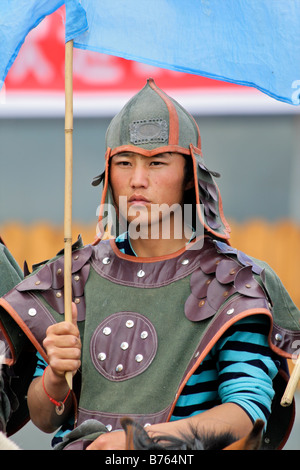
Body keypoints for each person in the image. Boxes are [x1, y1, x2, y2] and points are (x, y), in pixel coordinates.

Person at [0, 78, 299, 450]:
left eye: (157, 162)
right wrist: (56, 379)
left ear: (190, 175)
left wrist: (134, 442)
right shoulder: (73, 278)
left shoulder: (235, 283)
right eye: (124, 163)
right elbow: (46, 419)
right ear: (109, 174)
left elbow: (247, 413)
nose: (137, 180)